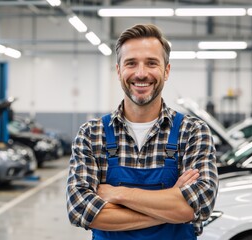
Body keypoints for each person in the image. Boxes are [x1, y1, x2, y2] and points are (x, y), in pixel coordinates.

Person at [66, 23, 218, 240]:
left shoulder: (193, 132)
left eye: (151, 63)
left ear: (166, 71)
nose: (141, 73)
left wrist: (117, 194)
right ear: (119, 71)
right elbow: (80, 209)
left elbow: (200, 204)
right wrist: (173, 207)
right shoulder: (91, 134)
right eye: (131, 63)